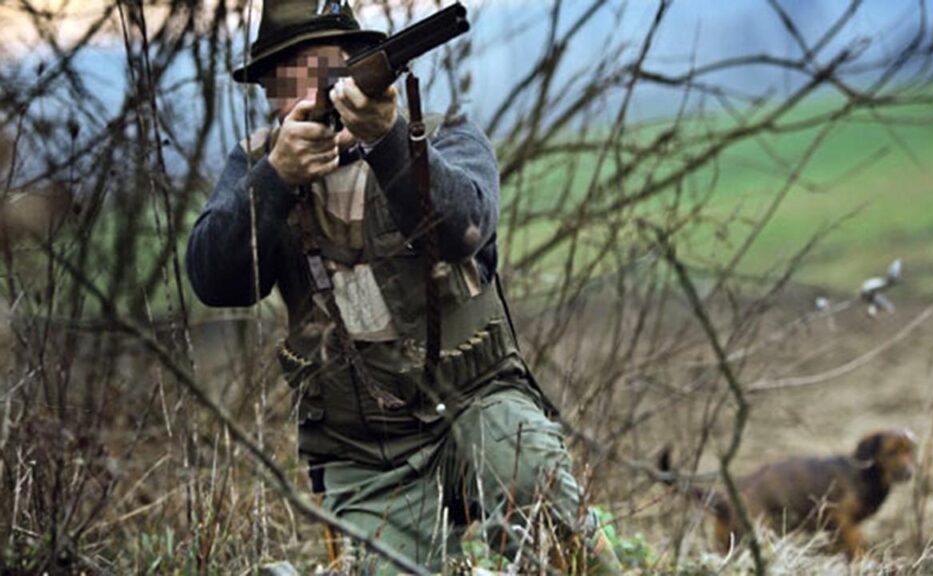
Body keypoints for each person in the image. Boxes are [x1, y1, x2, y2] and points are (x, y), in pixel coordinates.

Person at [186, 1, 620, 573]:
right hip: (364, 449)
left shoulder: (443, 136)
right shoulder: (258, 166)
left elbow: (463, 230)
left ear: (353, 68)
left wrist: (388, 140)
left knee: (540, 500)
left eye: (319, 70)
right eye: (284, 80)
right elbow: (215, 281)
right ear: (270, 95)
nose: (305, 91)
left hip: (477, 400)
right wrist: (275, 180)